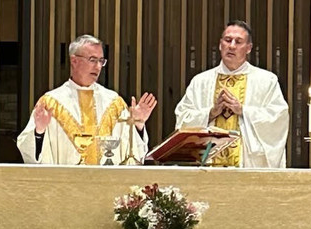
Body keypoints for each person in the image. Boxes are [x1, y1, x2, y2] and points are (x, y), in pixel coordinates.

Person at [17, 34, 157, 165]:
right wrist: (39, 131)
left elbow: (135, 154)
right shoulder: (51, 102)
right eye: (92, 60)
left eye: (101, 61)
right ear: (74, 61)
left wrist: (138, 125)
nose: (97, 66)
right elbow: (29, 152)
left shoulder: (114, 102)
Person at [174, 21, 289, 168]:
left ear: (248, 48)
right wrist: (210, 113)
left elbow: (278, 118)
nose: (232, 46)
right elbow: (182, 119)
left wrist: (243, 110)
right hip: (207, 166)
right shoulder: (201, 81)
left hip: (248, 165)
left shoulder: (266, 81)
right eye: (227, 40)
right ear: (220, 44)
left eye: (238, 42)